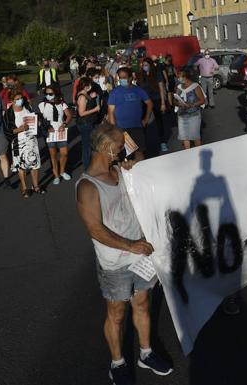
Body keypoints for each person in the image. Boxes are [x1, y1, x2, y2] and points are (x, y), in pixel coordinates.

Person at [75, 123, 173, 385]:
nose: (123, 150)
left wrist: (131, 150)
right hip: (116, 262)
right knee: (117, 314)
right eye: (119, 146)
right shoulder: (88, 186)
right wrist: (131, 245)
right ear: (107, 147)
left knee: (142, 304)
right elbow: (95, 230)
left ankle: (146, 352)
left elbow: (140, 158)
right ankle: (117, 363)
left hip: (140, 255)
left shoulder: (120, 169)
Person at [4, 89, 43, 197]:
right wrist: (20, 129)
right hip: (18, 142)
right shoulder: (9, 113)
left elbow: (34, 117)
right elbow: (7, 131)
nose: (20, 100)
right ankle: (24, 188)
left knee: (35, 163)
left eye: (21, 98)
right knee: (21, 166)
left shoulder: (27, 107)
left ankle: (36, 186)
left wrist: (37, 122)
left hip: (31, 139)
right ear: (12, 100)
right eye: (17, 99)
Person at [107, 67, 153, 160]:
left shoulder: (138, 90)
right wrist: (113, 128)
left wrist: (146, 119)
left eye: (124, 77)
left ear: (131, 78)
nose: (122, 80)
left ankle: (141, 171)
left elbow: (149, 103)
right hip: (121, 128)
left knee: (139, 152)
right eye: (120, 78)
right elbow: (110, 111)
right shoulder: (115, 92)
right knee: (125, 154)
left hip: (137, 127)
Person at [39, 86, 73, 185]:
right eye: (46, 94)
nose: (48, 96)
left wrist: (64, 124)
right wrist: (47, 127)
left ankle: (62, 171)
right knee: (53, 155)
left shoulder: (62, 103)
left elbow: (69, 115)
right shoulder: (42, 105)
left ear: (55, 93)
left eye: (50, 94)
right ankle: (56, 175)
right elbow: (40, 119)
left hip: (61, 131)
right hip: (50, 133)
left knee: (64, 153)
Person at [137, 58, 167, 154]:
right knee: (143, 121)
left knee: (159, 120)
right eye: (143, 65)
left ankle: (162, 142)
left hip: (156, 99)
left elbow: (161, 88)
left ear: (150, 65)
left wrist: (162, 103)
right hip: (145, 101)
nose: (144, 66)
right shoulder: (141, 75)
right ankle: (143, 143)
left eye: (146, 64)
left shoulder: (156, 73)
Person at [174, 69, 205, 149]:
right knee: (185, 137)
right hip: (181, 116)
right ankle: (188, 155)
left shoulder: (195, 86)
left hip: (194, 116)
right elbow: (175, 100)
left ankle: (198, 154)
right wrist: (178, 103)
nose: (178, 79)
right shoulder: (179, 87)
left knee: (195, 137)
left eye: (179, 77)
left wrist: (192, 104)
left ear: (185, 77)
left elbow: (202, 100)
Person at [76, 77, 101, 169]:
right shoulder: (82, 96)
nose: (91, 86)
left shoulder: (85, 94)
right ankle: (87, 167)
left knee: (89, 145)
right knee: (87, 146)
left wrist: (91, 97)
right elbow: (81, 113)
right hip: (85, 123)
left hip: (89, 122)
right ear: (85, 86)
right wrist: (95, 109)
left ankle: (90, 165)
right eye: (89, 85)